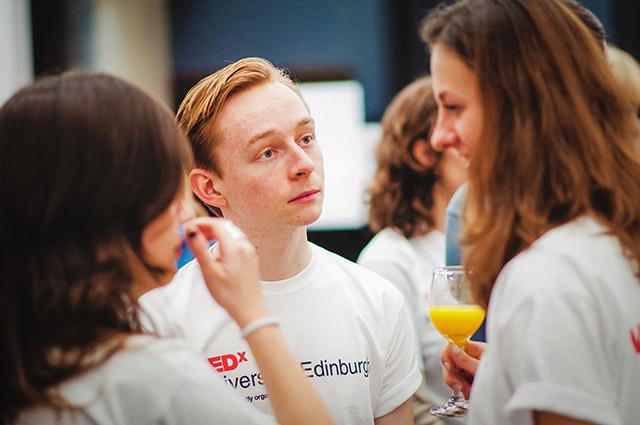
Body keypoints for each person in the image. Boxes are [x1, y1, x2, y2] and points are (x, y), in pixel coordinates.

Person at [0, 71, 336, 425]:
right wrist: (255, 316)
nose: (187, 213)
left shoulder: (29, 362)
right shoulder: (149, 376)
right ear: (111, 211)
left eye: (307, 137)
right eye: (166, 192)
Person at [139, 57, 422, 425]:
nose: (304, 163)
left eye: (306, 138)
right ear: (210, 187)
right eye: (268, 152)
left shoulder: (378, 299)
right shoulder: (162, 317)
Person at [420, 0, 640, 424]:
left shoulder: (547, 277)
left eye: (454, 107)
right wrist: (507, 381)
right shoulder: (613, 244)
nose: (439, 136)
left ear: (518, 108)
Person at [357, 76, 466, 425]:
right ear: (424, 153)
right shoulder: (389, 260)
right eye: (457, 129)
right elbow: (408, 407)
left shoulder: (489, 243)